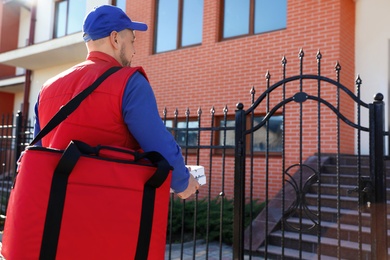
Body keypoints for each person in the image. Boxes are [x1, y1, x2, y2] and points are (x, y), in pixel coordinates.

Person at [33, 4, 199, 199]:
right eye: (132, 41)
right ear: (115, 39)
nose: (134, 50)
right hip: (108, 209)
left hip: (55, 208)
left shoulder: (47, 88)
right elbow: (158, 144)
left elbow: (39, 153)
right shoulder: (130, 82)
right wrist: (183, 182)